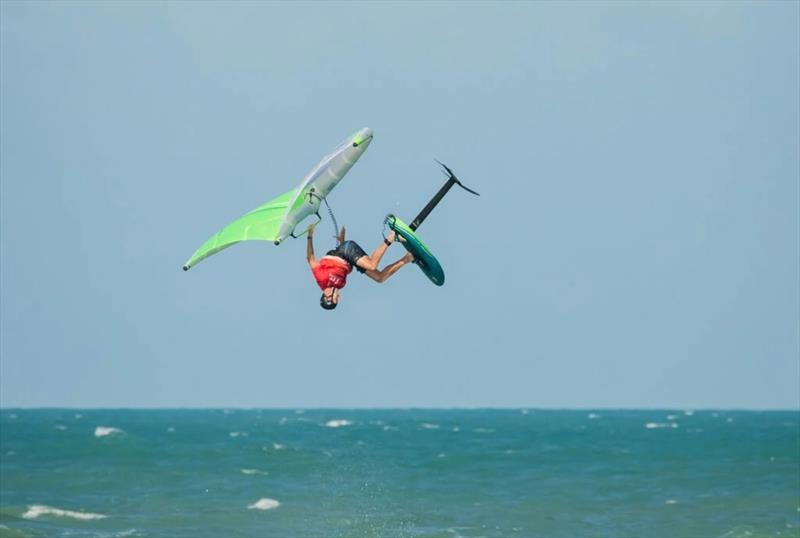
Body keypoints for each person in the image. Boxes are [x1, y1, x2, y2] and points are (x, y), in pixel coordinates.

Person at [306, 223, 414, 310]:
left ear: (327, 297)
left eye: (336, 298)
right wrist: (341, 241)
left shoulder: (322, 279)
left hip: (346, 250)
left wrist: (310, 235)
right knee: (380, 278)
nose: (339, 296)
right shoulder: (340, 285)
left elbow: (310, 258)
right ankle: (408, 258)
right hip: (348, 258)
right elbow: (342, 267)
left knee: (372, 265)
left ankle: (391, 237)